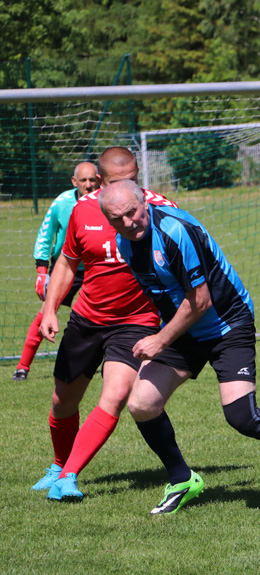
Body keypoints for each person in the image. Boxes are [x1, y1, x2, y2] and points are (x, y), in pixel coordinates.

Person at [99, 179, 260, 515]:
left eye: (132, 212)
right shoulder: (125, 242)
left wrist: (160, 339)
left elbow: (200, 300)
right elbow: (162, 293)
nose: (128, 223)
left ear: (144, 201)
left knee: (242, 417)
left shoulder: (175, 231)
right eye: (117, 218)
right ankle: (182, 479)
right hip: (184, 330)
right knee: (142, 403)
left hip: (227, 324)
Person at [33, 148, 176, 502]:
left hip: (136, 321)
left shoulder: (161, 209)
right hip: (86, 319)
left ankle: (69, 477)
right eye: (115, 182)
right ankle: (58, 465)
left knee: (114, 396)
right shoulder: (83, 210)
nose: (125, 189)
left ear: (138, 172)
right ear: (99, 181)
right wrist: (50, 309)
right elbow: (67, 264)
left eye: (132, 179)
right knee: (62, 402)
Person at [11, 163, 97, 381]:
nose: (88, 185)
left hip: (98, 267)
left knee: (106, 314)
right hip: (66, 267)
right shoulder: (61, 203)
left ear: (98, 179)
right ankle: (23, 367)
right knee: (45, 312)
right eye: (83, 180)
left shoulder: (107, 200)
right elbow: (44, 235)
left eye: (92, 180)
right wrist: (42, 271)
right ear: (73, 181)